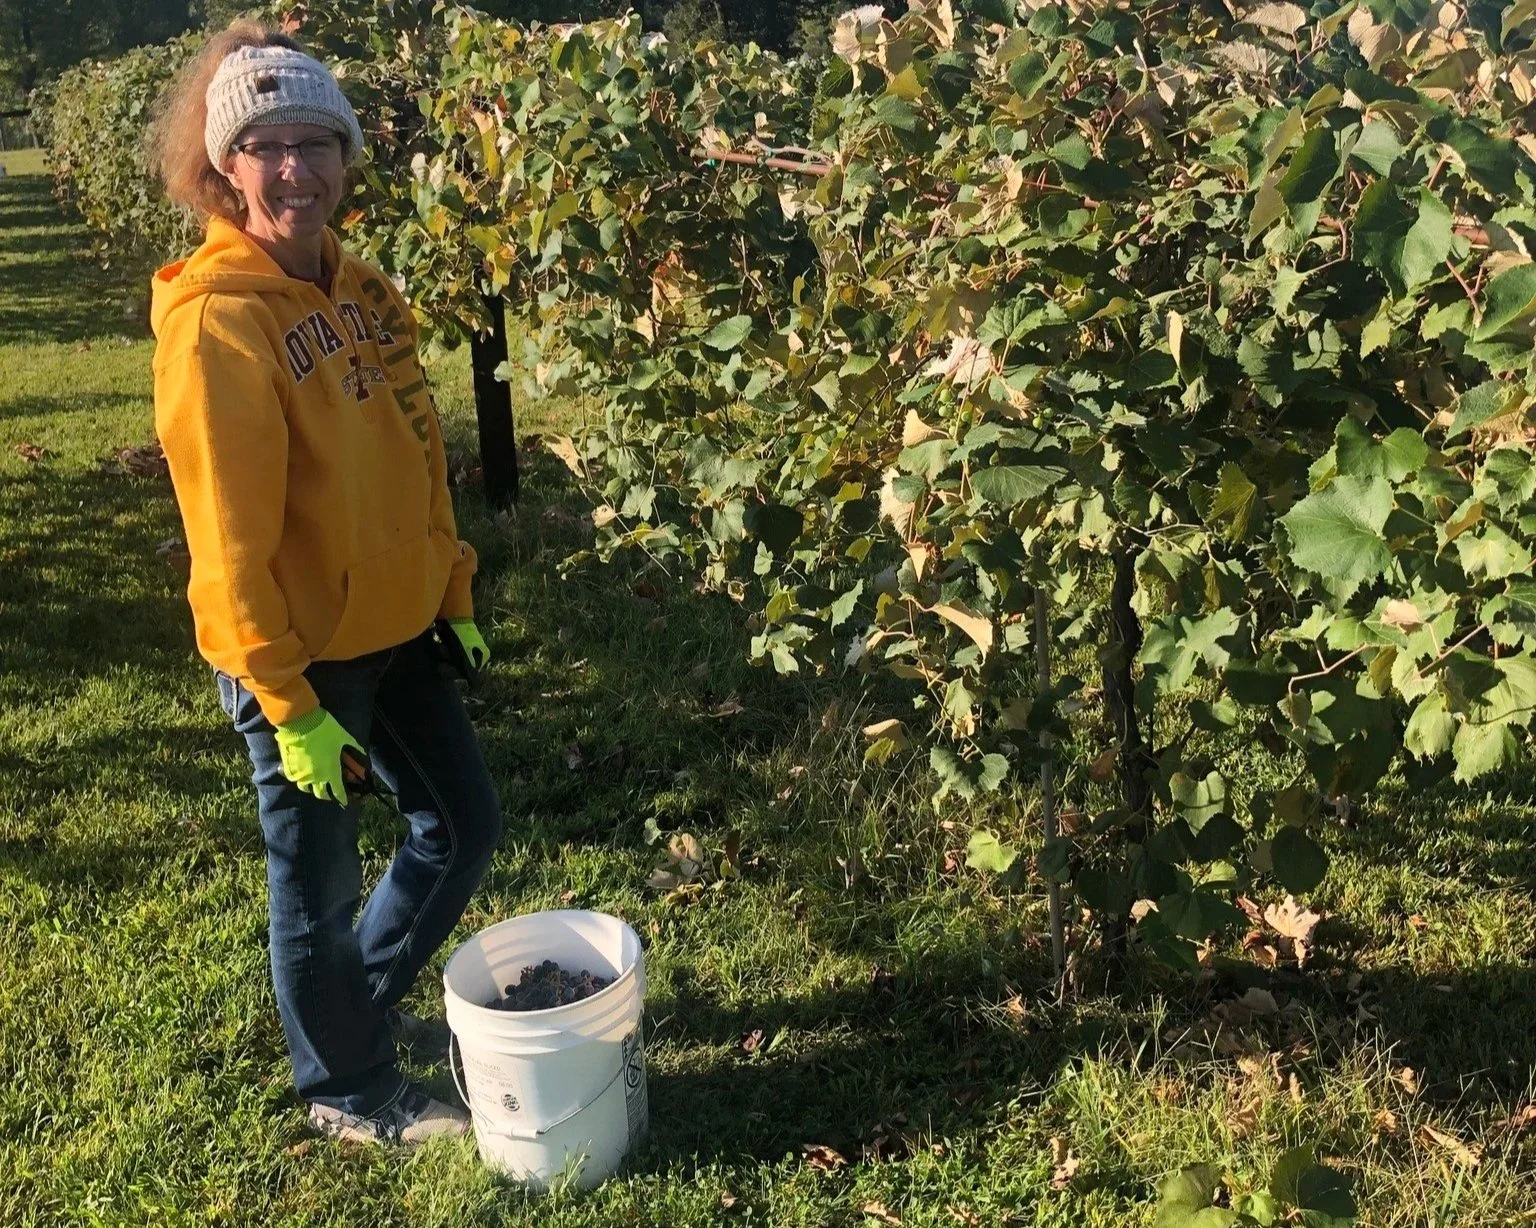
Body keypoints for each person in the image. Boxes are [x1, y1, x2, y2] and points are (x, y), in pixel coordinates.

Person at [148, 21, 503, 1145]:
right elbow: (225, 535)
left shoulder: (362, 287)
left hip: (393, 622)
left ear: (349, 156)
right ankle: (345, 1088)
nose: (295, 168)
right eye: (266, 146)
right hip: (301, 652)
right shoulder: (218, 326)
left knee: (458, 823)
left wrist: (450, 582)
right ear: (224, 168)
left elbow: (416, 440)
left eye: (318, 142)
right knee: (317, 884)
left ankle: (349, 1018)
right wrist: (282, 697)